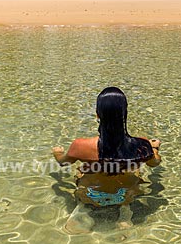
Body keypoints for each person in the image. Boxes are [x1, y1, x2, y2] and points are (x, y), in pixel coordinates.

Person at [52, 86, 161, 232]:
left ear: (98, 115)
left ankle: (84, 209)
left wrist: (57, 153)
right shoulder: (141, 145)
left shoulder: (80, 145)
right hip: (126, 195)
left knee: (83, 171)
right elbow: (155, 163)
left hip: (91, 194)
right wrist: (154, 148)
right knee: (133, 172)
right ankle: (124, 215)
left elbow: (63, 163)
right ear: (125, 113)